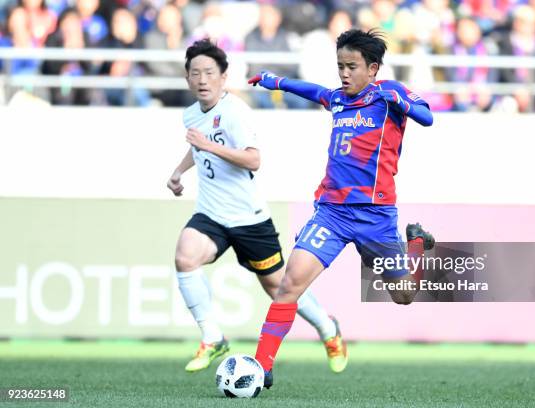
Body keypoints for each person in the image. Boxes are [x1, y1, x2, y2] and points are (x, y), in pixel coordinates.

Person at [248, 28, 433, 389]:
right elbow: (314, 91)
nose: (344, 73)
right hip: (332, 212)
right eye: (340, 66)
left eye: (351, 66)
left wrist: (401, 104)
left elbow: (427, 117)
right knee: (289, 284)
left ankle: (417, 247)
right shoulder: (338, 99)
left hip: (376, 217)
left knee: (403, 295)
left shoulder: (388, 93)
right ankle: (261, 365)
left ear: (373, 68)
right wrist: (277, 82)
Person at [168, 39, 344, 373]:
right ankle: (213, 337)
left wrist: (207, 145)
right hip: (211, 214)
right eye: (195, 73)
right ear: (187, 79)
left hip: (248, 220)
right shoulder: (191, 113)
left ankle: (327, 328)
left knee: (279, 288)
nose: (202, 79)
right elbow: (199, 147)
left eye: (209, 72)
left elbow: (253, 159)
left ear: (223, 77)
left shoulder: (235, 113)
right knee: (185, 256)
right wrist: (178, 172)